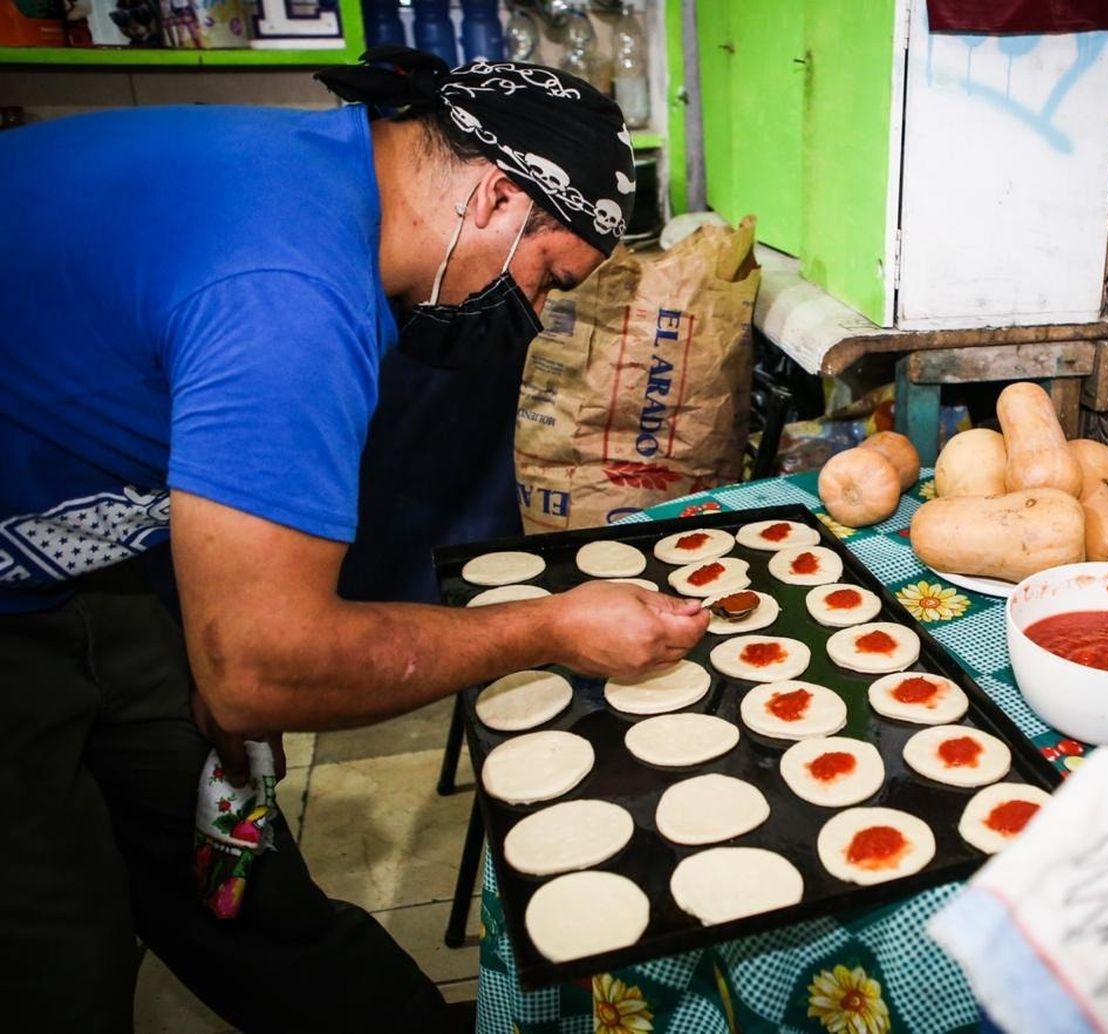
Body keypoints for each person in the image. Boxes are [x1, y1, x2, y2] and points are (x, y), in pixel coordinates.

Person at [0, 47, 708, 1033]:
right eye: (550, 278)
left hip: (80, 564)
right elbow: (259, 668)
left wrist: (237, 644)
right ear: (499, 198)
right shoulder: (294, 289)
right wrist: (546, 629)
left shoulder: (319, 182)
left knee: (230, 868)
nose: (537, 314)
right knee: (55, 946)